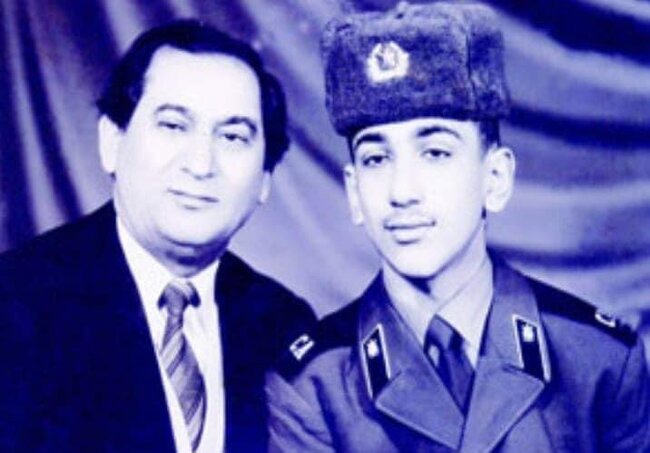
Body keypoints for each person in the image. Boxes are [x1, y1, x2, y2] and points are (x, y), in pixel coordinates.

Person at [266, 2, 650, 452]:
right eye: (376, 158)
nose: (402, 191)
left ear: (495, 179)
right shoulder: (315, 383)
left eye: (436, 153)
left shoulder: (596, 362)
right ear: (354, 192)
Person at [0, 19, 315, 452]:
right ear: (112, 142)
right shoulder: (16, 302)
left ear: (264, 179)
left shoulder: (282, 324)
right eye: (173, 126)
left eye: (232, 136)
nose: (200, 164)